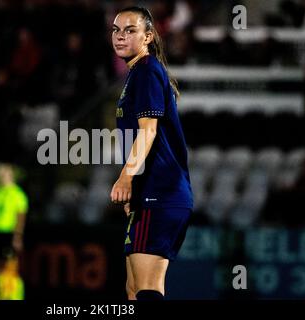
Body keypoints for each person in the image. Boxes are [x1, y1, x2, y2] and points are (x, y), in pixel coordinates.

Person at [110, 6, 193, 301]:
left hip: (160, 193)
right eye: (116, 30)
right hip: (150, 193)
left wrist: (125, 178)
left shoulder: (146, 71)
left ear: (147, 37)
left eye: (130, 30)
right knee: (133, 289)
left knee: (147, 289)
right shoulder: (138, 73)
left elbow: (148, 131)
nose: (120, 36)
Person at [0, 163, 28, 299]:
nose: (2, 177)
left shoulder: (17, 194)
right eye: (0, 174)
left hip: (8, 234)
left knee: (10, 268)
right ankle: (1, 295)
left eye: (5, 174)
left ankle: (14, 296)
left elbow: (20, 216)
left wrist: (17, 237)